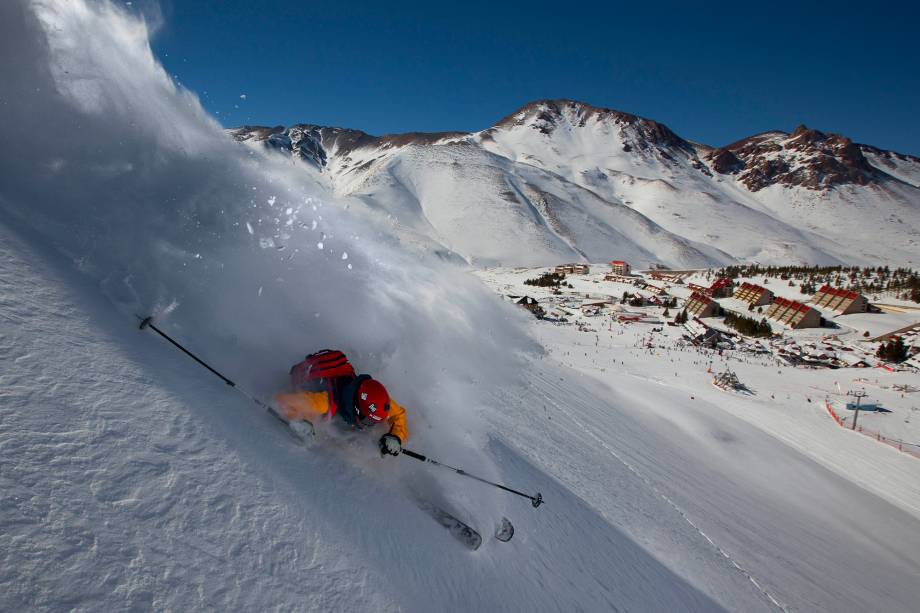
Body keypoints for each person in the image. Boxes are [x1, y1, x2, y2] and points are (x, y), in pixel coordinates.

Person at [275, 350, 408, 456]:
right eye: (368, 421)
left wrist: (395, 436)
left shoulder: (376, 399)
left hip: (339, 379)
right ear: (356, 409)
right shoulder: (325, 402)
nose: (370, 426)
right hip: (314, 384)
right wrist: (301, 422)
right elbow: (283, 401)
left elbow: (398, 415)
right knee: (311, 413)